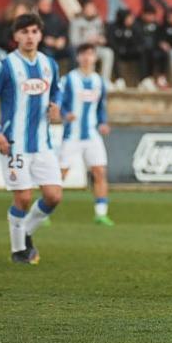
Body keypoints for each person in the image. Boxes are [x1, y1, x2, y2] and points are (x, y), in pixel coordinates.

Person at [0, 12, 64, 265]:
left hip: (42, 144)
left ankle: (24, 231)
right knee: (23, 198)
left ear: (41, 35)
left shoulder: (49, 64)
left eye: (34, 31)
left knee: (54, 196)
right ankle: (18, 251)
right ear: (15, 36)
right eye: (24, 32)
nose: (29, 36)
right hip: (14, 144)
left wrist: (56, 105)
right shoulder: (5, 65)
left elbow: (57, 91)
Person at [57, 43, 113, 227]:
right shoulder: (69, 79)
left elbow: (101, 107)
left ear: (95, 58)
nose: (87, 58)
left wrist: (103, 122)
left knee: (100, 172)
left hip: (92, 134)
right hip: (72, 134)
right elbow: (59, 102)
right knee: (60, 174)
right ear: (78, 58)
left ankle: (101, 214)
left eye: (90, 54)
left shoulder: (99, 81)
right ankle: (44, 210)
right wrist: (65, 114)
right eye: (83, 54)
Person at [69, 2, 115, 82]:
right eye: (88, 9)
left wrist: (101, 40)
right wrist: (87, 40)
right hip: (82, 49)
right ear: (84, 10)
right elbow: (74, 41)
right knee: (89, 55)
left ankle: (105, 81)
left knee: (108, 53)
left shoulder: (98, 21)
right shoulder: (76, 22)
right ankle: (87, 81)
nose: (90, 11)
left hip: (96, 48)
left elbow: (102, 36)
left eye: (92, 9)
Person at [106, 9, 140, 87]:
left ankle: (143, 80)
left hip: (130, 51)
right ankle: (119, 79)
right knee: (112, 53)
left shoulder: (135, 27)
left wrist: (129, 50)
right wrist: (120, 49)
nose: (131, 19)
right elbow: (111, 42)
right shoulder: (113, 27)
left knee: (143, 53)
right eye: (129, 17)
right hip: (117, 51)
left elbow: (138, 42)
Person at [133, 7, 164, 89]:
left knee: (161, 54)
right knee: (144, 53)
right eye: (149, 15)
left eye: (152, 15)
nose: (151, 17)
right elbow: (136, 38)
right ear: (143, 15)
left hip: (153, 49)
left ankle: (158, 78)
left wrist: (162, 43)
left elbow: (160, 38)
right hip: (139, 49)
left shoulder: (157, 25)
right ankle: (143, 79)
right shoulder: (137, 24)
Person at [36, 0, 73, 64]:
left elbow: (64, 30)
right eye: (43, 5)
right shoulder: (36, 19)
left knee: (72, 50)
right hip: (44, 47)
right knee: (48, 53)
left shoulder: (56, 17)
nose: (46, 7)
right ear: (39, 6)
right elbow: (36, 35)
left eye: (47, 5)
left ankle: (73, 70)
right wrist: (45, 40)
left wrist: (63, 39)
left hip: (59, 45)